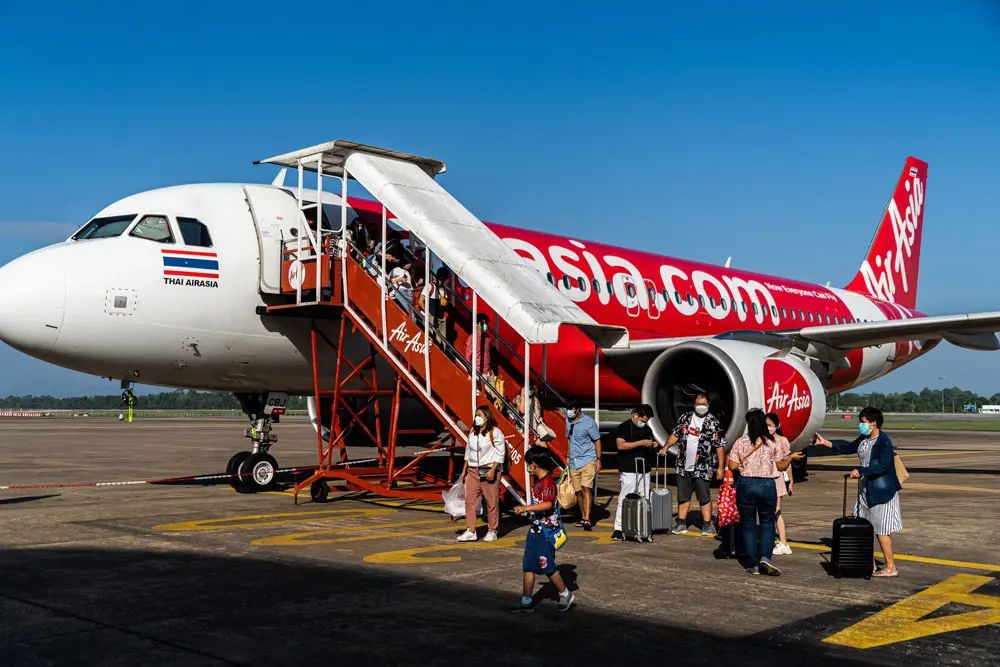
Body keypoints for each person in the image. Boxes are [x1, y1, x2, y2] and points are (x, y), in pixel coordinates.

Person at [813, 407, 903, 577]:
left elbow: (883, 466)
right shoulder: (864, 438)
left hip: (881, 490)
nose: (860, 425)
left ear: (874, 423)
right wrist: (826, 443)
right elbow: (848, 447)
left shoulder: (884, 441)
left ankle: (891, 567)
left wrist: (861, 471)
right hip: (865, 489)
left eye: (863, 422)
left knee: (881, 529)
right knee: (864, 526)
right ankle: (869, 564)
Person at [727, 408, 801, 576]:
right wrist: (790, 458)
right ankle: (766, 558)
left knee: (748, 524)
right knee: (768, 523)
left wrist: (742, 466)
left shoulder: (741, 442)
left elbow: (731, 465)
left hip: (746, 483)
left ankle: (752, 564)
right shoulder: (772, 442)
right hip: (768, 485)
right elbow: (781, 466)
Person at [510, 446, 575, 612]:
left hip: (545, 533)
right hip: (535, 530)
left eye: (528, 463)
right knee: (529, 565)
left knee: (547, 565)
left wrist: (525, 508)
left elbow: (547, 504)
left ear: (534, 465)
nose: (526, 467)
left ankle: (565, 593)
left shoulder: (548, 483)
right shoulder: (538, 482)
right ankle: (526, 601)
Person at [659, 393, 726, 536]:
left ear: (708, 405)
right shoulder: (686, 418)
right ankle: (681, 523)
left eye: (703, 404)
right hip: (684, 465)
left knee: (704, 497)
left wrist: (720, 467)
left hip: (703, 467)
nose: (700, 406)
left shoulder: (713, 422)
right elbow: (675, 434)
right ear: (694, 404)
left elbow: (719, 446)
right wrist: (665, 447)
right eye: (698, 404)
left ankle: (706, 525)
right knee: (683, 496)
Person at [457, 405, 506, 543]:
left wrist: (493, 470)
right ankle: (471, 530)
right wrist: (464, 471)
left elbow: (500, 452)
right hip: (473, 470)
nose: (477, 418)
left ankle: (492, 530)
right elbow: (468, 452)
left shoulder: (495, 432)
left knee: (491, 502)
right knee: (470, 500)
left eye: (480, 415)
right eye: (476, 415)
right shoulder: (473, 431)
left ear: (487, 417)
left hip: (489, 470)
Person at [611, 404, 656, 541]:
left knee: (644, 497)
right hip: (629, 468)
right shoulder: (624, 427)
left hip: (644, 468)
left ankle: (642, 526)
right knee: (625, 497)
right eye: (642, 420)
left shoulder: (647, 430)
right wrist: (640, 443)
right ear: (635, 415)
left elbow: (650, 444)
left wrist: (653, 445)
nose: (644, 424)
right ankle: (618, 527)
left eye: (646, 421)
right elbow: (621, 445)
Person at [767, 412, 800, 556]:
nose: (767, 428)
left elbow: (787, 462)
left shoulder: (782, 440)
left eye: (770, 425)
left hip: (777, 478)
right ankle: (776, 539)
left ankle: (783, 542)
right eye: (765, 425)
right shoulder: (764, 440)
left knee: (776, 510)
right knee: (770, 511)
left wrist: (791, 480)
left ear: (776, 426)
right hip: (765, 477)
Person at [565, 402, 602, 530]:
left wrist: (598, 459)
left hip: (588, 460)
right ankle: (582, 516)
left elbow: (597, 440)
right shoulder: (568, 422)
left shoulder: (589, 422)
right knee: (578, 492)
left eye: (571, 409)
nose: (569, 412)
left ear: (578, 409)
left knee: (586, 488)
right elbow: (569, 440)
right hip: (574, 461)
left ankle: (587, 518)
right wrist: (567, 456)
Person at [465, 313, 494, 380]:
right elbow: (468, 357)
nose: (485, 325)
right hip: (477, 372)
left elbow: (488, 354)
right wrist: (470, 372)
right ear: (477, 324)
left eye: (486, 323)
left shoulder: (487, 338)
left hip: (488, 371)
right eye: (483, 324)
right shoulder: (472, 338)